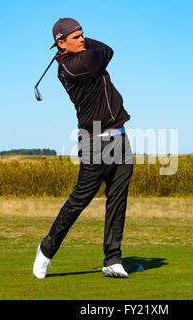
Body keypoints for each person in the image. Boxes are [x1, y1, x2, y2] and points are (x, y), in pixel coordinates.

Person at [33, 18, 134, 279]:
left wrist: (79, 39)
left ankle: (112, 259)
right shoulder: (75, 66)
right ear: (60, 43)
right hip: (96, 141)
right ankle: (46, 249)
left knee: (118, 199)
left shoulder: (81, 56)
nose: (82, 40)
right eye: (76, 37)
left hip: (120, 137)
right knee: (80, 200)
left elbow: (105, 50)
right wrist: (84, 45)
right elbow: (107, 51)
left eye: (82, 35)